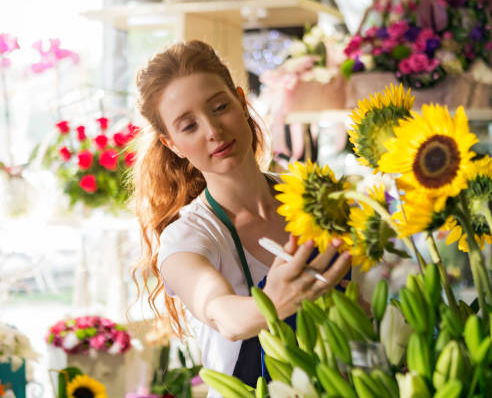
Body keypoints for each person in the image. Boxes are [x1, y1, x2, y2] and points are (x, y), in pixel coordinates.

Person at [130, 40, 352, 395]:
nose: (213, 130)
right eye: (189, 126)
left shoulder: (315, 197)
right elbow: (221, 313)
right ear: (172, 144)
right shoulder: (188, 238)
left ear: (241, 101)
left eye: (219, 107)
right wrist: (274, 302)